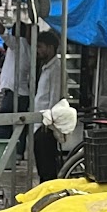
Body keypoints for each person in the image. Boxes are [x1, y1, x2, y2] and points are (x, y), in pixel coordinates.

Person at [32, 31, 65, 184]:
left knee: (47, 169)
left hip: (46, 126)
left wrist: (49, 123)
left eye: (40, 47)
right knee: (41, 166)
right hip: (39, 123)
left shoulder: (56, 68)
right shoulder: (46, 67)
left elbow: (54, 97)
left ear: (50, 48)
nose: (38, 50)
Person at [0, 24, 31, 145]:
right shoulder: (31, 48)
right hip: (24, 93)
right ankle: (17, 153)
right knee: (20, 125)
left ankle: (0, 153)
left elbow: (4, 34)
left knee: (4, 123)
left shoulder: (19, 43)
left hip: (13, 91)